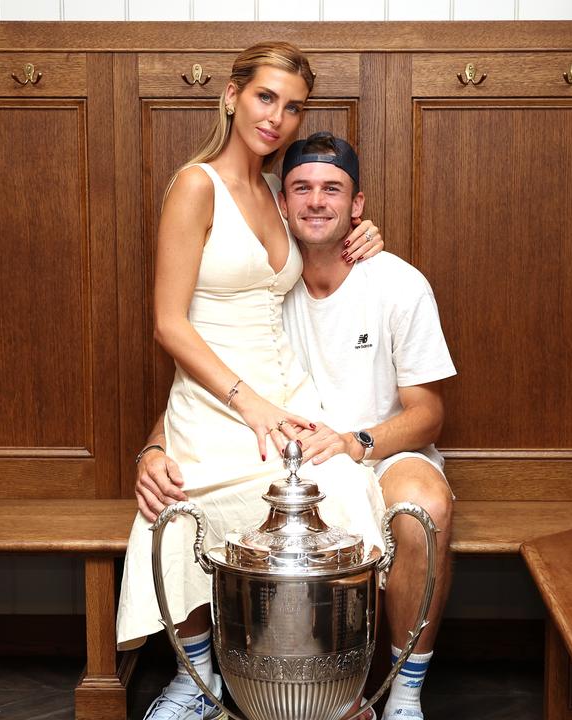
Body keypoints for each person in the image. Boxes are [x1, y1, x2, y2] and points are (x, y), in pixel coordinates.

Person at [137, 132, 457, 720]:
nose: (316, 202)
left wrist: (354, 442)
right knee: (180, 492)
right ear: (281, 203)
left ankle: (404, 695)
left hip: (377, 449)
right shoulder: (264, 289)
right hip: (287, 457)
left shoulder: (398, 284)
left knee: (423, 508)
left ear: (358, 205)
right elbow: (198, 387)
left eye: (332, 189)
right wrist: (153, 449)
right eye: (301, 188)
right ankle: (203, 684)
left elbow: (429, 413)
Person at [115, 43, 389, 720]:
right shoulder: (195, 185)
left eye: (293, 107)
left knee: (349, 490)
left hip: (288, 396)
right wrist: (249, 405)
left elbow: (325, 232)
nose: (278, 118)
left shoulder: (275, 189)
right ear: (233, 95)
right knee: (177, 515)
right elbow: (168, 324)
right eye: (266, 97)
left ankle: (326, 684)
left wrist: (366, 233)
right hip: (219, 401)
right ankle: (198, 680)